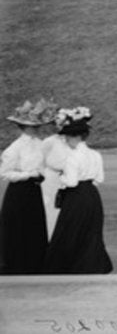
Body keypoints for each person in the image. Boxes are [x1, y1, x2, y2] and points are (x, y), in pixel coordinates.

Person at [43, 107, 113, 275]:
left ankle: (68, 265)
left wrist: (61, 179)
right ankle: (92, 264)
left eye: (67, 137)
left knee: (70, 230)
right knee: (91, 231)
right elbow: (99, 179)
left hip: (76, 196)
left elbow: (72, 182)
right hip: (92, 195)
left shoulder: (72, 157)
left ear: (73, 137)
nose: (66, 140)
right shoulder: (95, 154)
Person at [1, 99, 53, 274]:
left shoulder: (41, 145)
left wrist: (41, 173)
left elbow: (46, 164)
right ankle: (16, 264)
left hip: (34, 190)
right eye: (33, 126)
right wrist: (28, 174)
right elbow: (5, 173)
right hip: (18, 192)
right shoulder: (14, 148)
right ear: (23, 127)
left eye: (38, 126)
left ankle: (35, 263)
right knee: (18, 228)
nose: (37, 129)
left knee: (34, 226)